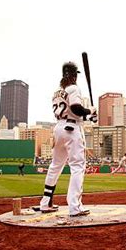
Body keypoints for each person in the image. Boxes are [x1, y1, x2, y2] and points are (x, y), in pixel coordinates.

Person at [39, 61, 97, 217]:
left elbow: (73, 112)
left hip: (58, 129)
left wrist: (88, 116)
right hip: (72, 129)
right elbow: (76, 109)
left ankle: (45, 202)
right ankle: (74, 207)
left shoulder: (57, 92)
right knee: (77, 166)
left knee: (55, 166)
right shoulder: (74, 88)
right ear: (73, 76)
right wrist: (90, 110)